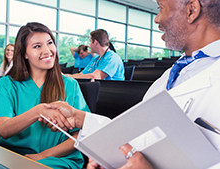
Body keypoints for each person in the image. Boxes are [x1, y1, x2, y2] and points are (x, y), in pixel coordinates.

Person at [41, 0, 220, 168]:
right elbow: (142, 137)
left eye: (160, 7)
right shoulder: (171, 75)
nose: (157, 19)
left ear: (192, 10)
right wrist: (80, 119)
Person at [0, 22, 90, 169]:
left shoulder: (70, 85)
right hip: (10, 155)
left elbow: (82, 133)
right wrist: (38, 111)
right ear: (24, 53)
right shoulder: (7, 84)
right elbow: (5, 130)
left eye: (50, 43)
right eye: (37, 46)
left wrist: (43, 156)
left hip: (57, 158)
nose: (47, 51)